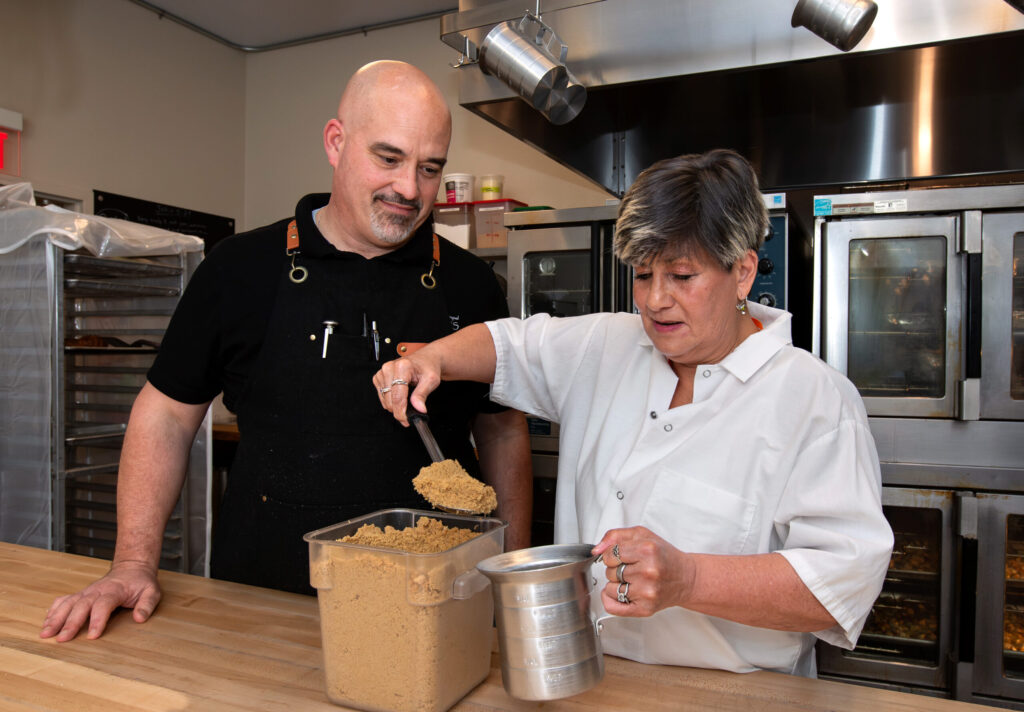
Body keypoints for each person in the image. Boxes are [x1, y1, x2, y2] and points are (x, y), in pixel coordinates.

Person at [40, 60, 532, 642]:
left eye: (430, 168)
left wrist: (512, 579)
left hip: (434, 603)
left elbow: (502, 430)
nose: (409, 189)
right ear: (336, 142)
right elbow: (167, 414)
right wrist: (131, 563)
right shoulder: (241, 269)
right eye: (389, 158)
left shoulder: (469, 283)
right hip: (265, 598)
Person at [372, 148, 893, 676]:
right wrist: (433, 358)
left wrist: (689, 579)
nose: (655, 300)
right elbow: (511, 345)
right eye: (643, 275)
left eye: (682, 276)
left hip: (736, 706)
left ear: (742, 273)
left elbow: (839, 585)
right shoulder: (607, 345)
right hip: (588, 678)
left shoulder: (814, 400)